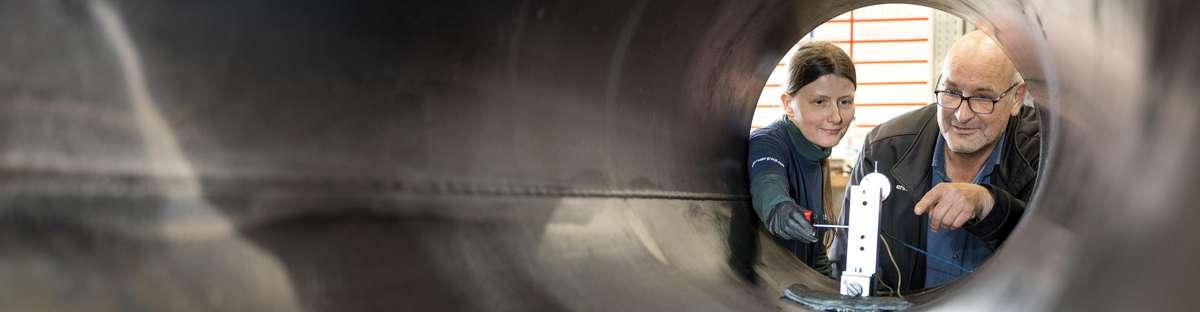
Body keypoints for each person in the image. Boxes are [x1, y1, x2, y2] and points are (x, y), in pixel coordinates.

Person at [834, 30, 1040, 294]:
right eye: (951, 92)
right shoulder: (885, 149)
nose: (962, 115)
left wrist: (990, 205)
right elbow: (845, 263)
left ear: (1016, 99)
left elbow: (1064, 258)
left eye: (982, 98)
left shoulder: (1049, 156)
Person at [748, 41, 856, 277]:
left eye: (845, 102)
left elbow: (815, 254)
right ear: (788, 104)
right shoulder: (768, 142)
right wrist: (779, 209)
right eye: (820, 102)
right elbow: (767, 184)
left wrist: (832, 291)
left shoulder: (816, 152)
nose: (836, 117)